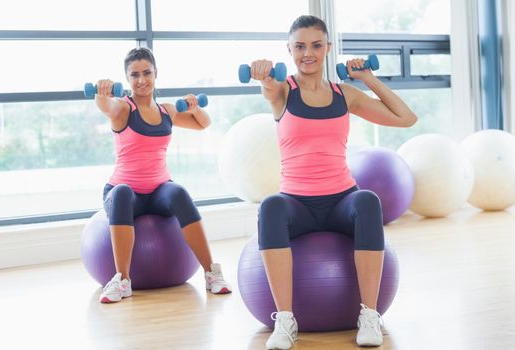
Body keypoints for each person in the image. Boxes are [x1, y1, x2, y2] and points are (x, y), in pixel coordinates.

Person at [248, 15, 417, 349]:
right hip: (296, 203)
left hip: (342, 199)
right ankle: (285, 320)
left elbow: (406, 118)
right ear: (289, 49)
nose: (307, 53)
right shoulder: (282, 90)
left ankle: (369, 316)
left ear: (327, 48)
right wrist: (262, 73)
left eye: (315, 45)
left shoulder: (345, 95)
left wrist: (368, 78)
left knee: (367, 199)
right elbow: (268, 85)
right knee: (270, 207)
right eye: (299, 46)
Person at [94, 47, 232, 304]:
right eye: (134, 75)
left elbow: (203, 123)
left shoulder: (167, 111)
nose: (141, 80)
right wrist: (101, 93)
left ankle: (212, 274)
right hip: (123, 192)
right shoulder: (124, 109)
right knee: (123, 192)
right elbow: (106, 107)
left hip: (158, 189)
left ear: (156, 74)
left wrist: (193, 106)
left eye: (147, 73)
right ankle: (122, 280)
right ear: (127, 79)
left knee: (178, 191)